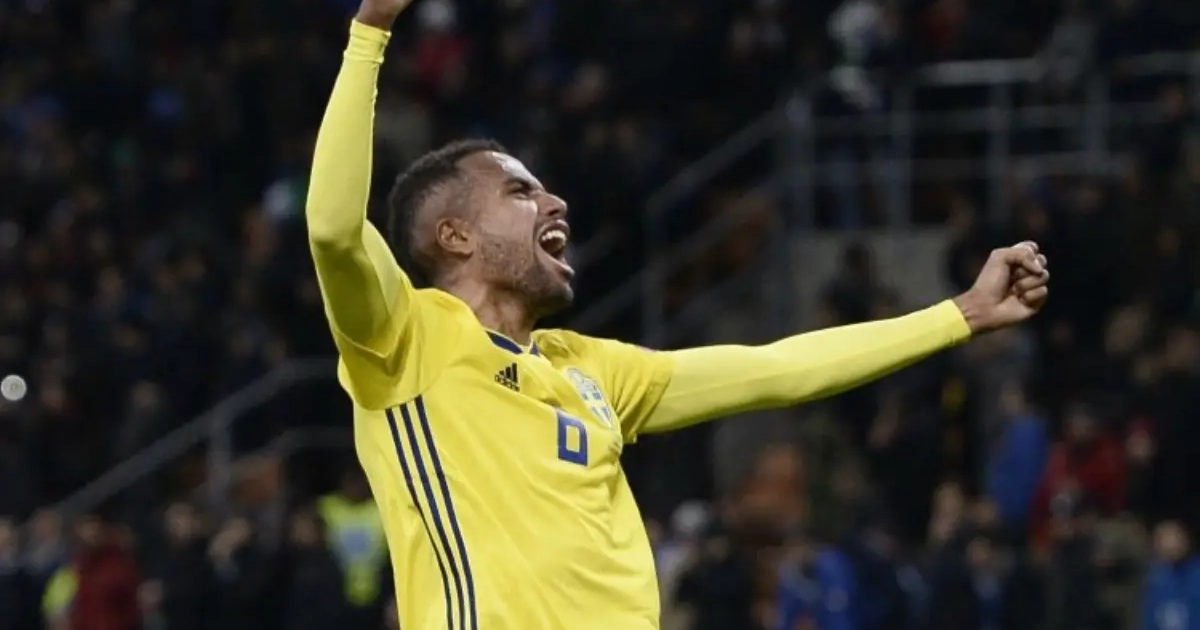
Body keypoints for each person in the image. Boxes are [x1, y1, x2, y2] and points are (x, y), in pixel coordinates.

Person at [305, 0, 1051, 628]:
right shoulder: (403, 340)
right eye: (520, 192)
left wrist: (959, 314)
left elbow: (778, 369)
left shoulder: (594, 371)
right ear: (455, 236)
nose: (554, 201)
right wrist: (370, 32)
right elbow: (334, 229)